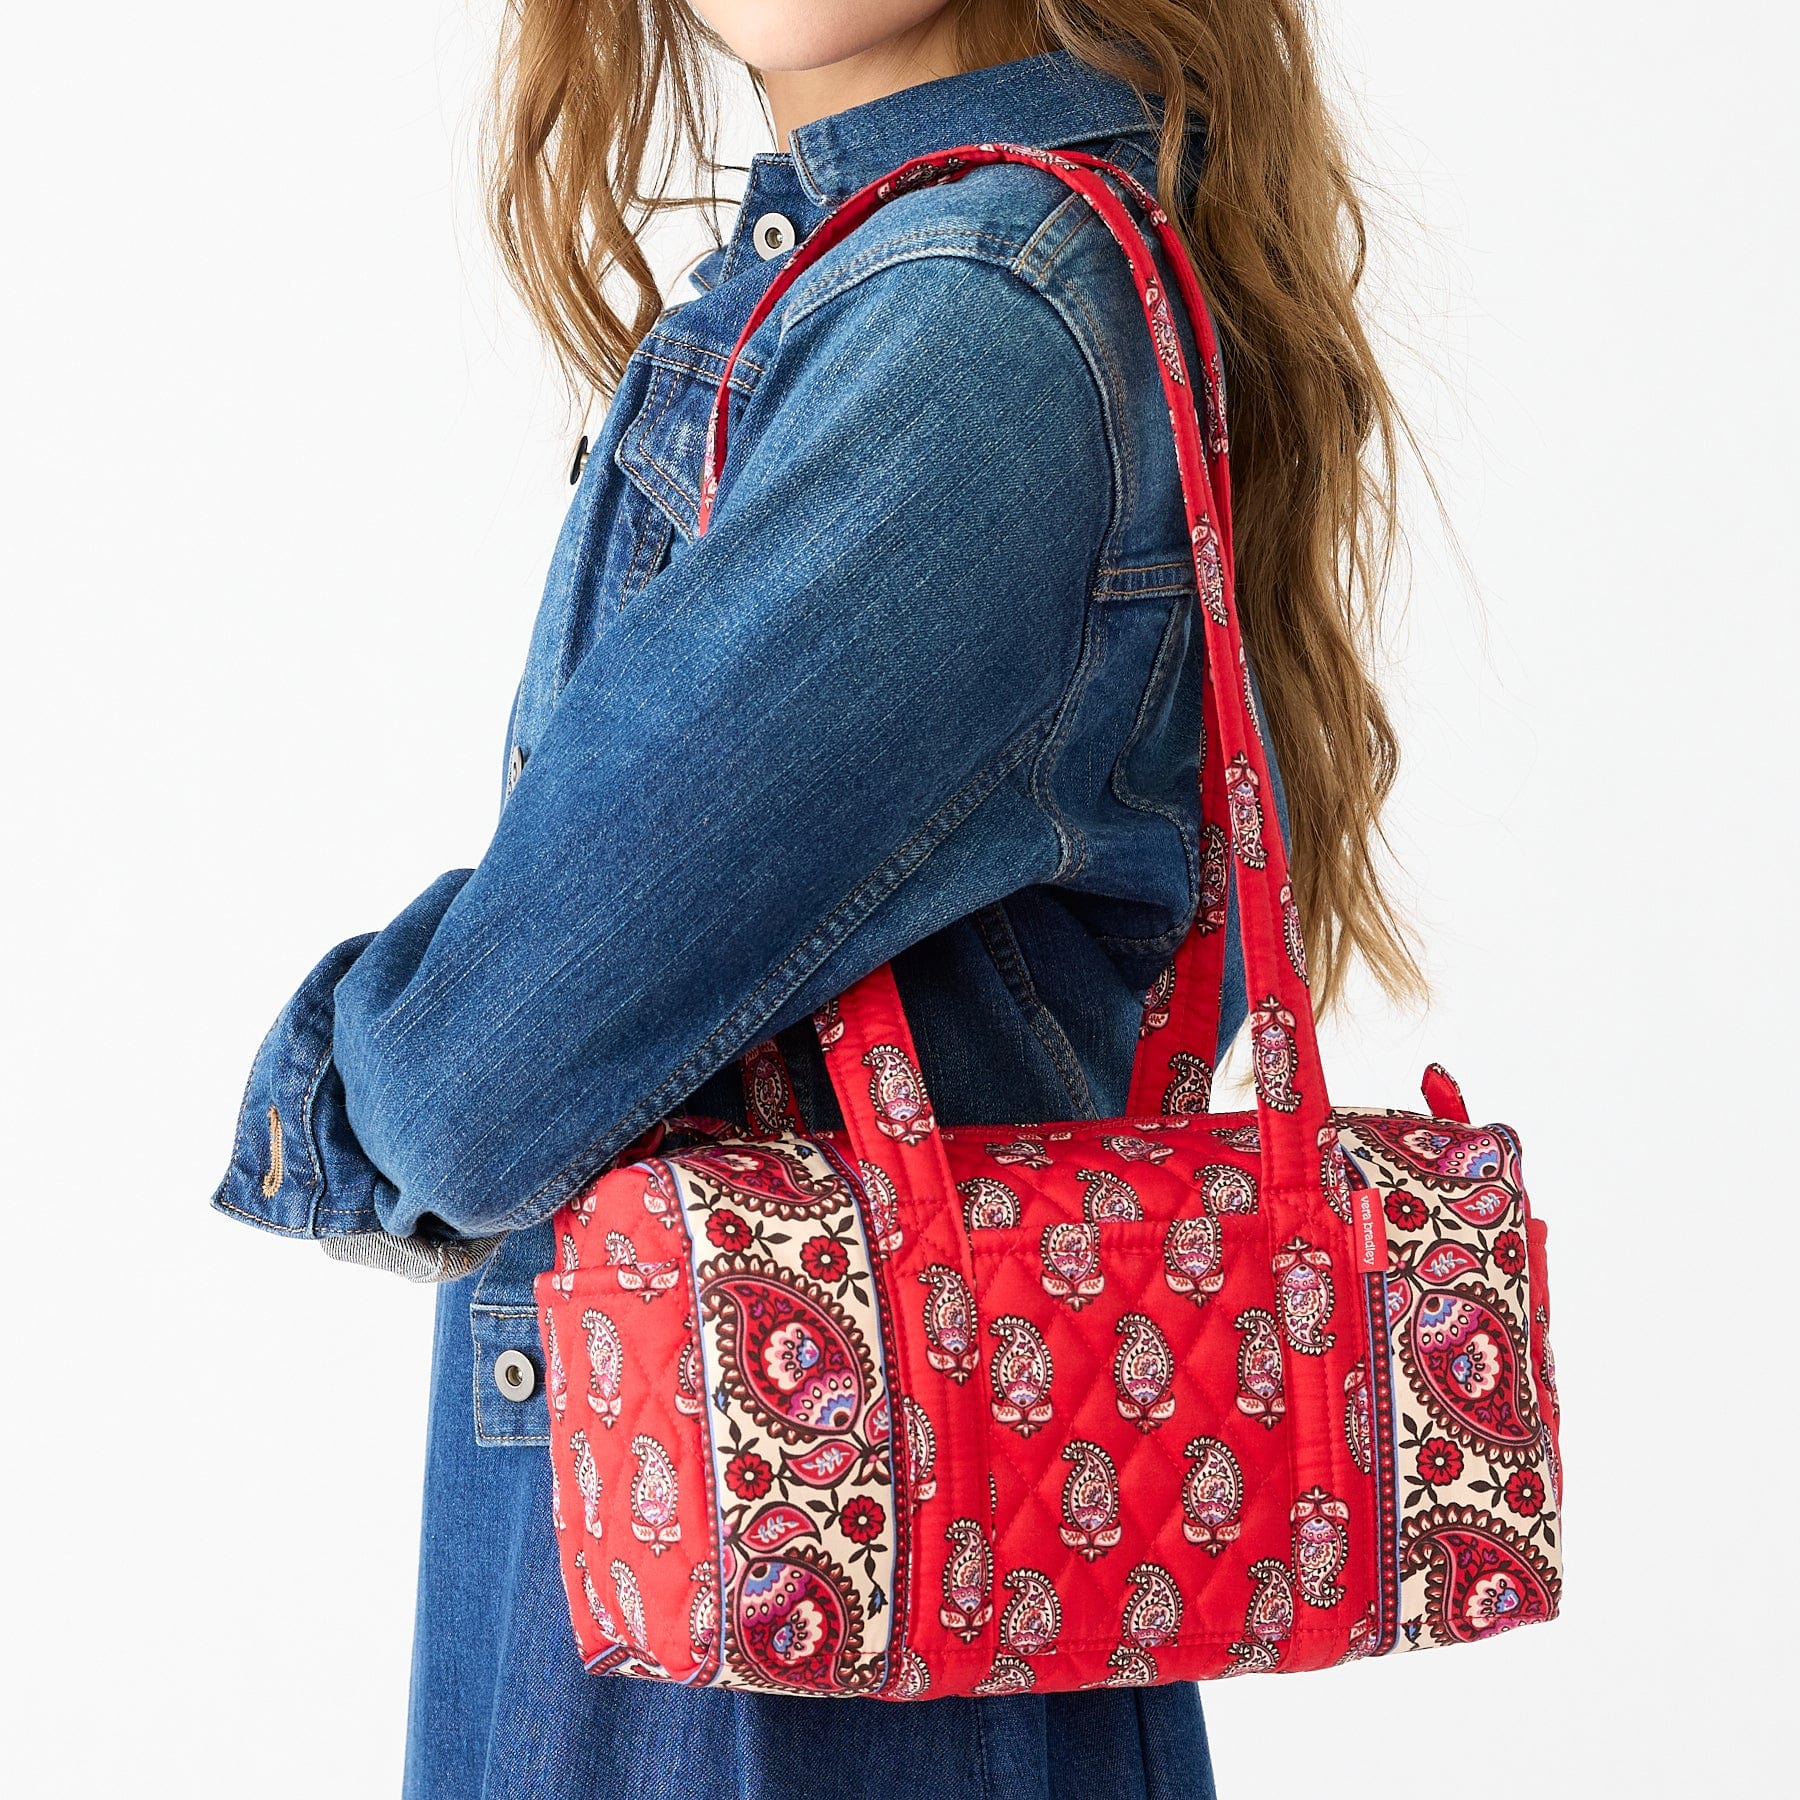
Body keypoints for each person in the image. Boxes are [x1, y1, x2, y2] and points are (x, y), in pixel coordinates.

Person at [211, 4, 1420, 1795]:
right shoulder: (893, 283)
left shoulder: (980, 319)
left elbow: (476, 1086)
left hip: (781, 1710)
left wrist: (335, 1082)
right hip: (737, 1636)